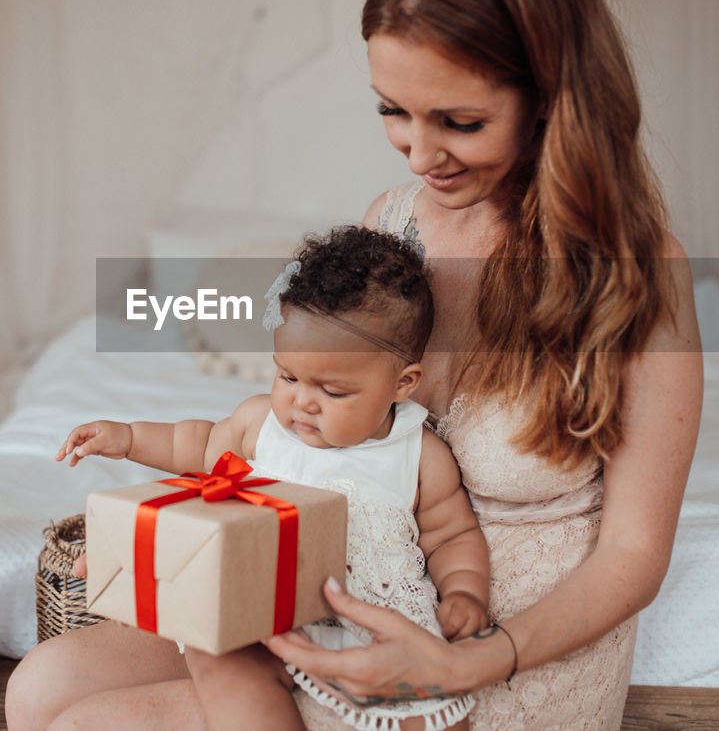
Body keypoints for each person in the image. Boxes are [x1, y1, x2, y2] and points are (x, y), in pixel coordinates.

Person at [6, 0, 701, 730]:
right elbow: (298, 441)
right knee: (43, 685)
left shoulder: (634, 272)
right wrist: (167, 547)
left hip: (506, 651)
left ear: (552, 93)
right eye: (392, 110)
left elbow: (633, 555)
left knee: (90, 724)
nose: (419, 152)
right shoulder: (393, 224)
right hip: (339, 590)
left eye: (461, 121)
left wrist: (462, 655)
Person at [54, 225, 490, 731]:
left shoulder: (419, 455)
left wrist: (465, 592)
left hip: (368, 627)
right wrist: (127, 437)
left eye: (333, 390)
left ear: (402, 383)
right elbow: (191, 444)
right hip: (259, 613)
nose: (302, 401)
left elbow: (453, 535)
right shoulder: (260, 423)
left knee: (426, 713)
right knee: (225, 662)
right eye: (288, 376)